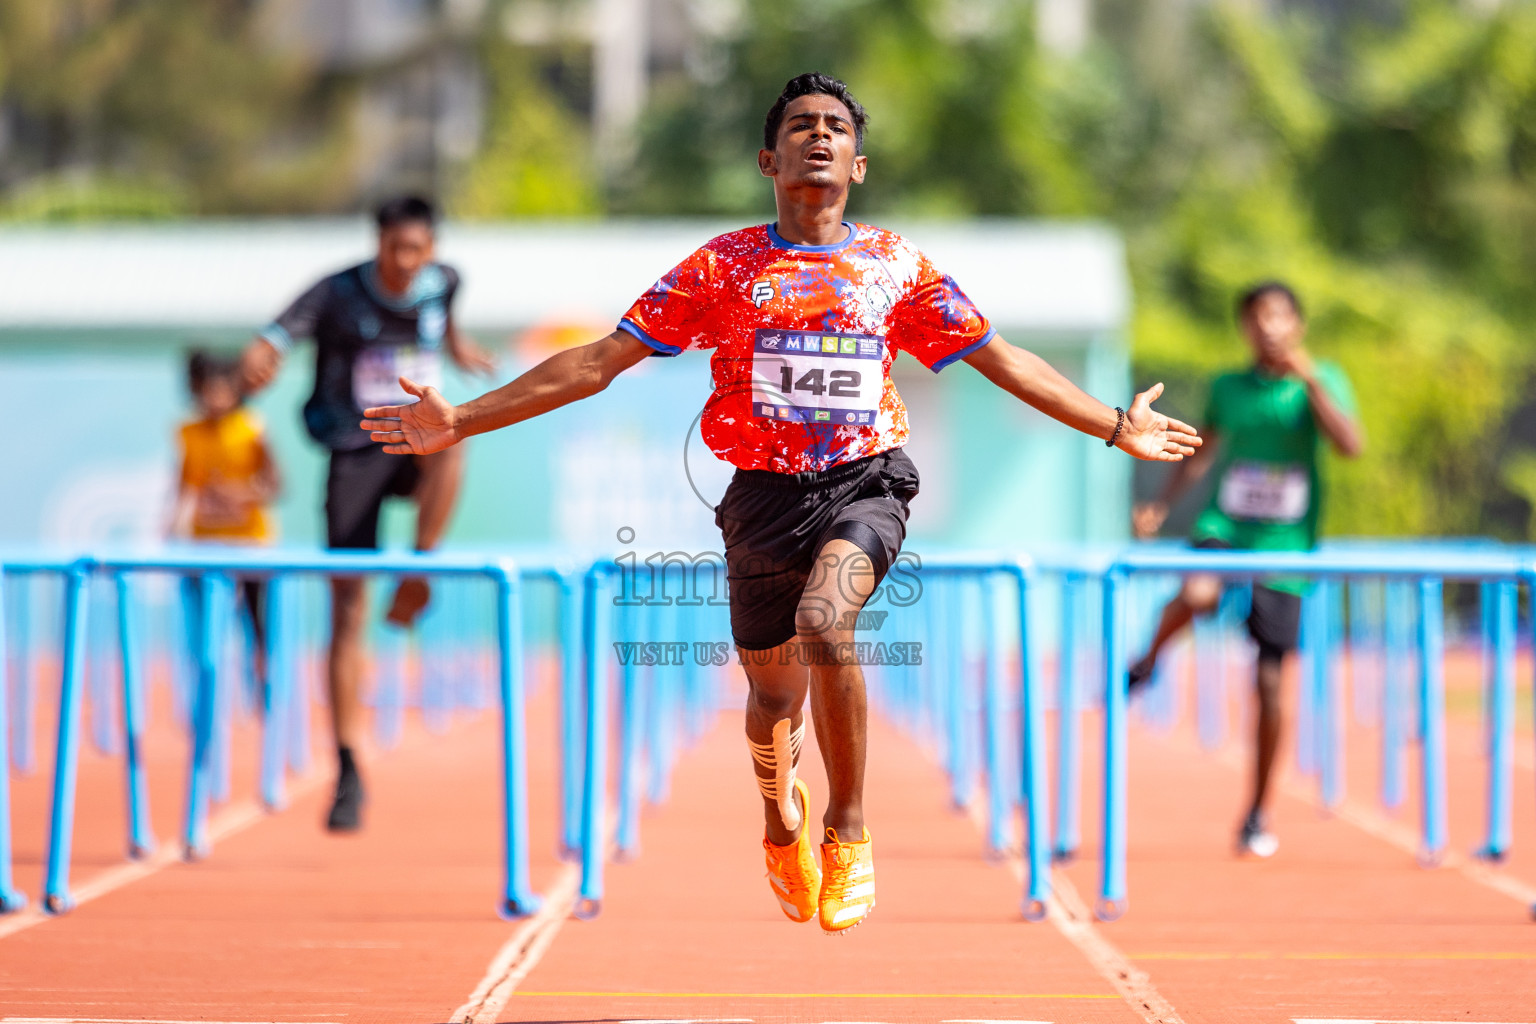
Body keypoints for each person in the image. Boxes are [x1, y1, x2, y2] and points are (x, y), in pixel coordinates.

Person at [360, 73, 1199, 932]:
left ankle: (850, 827)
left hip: (866, 482)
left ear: (859, 165)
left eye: (836, 126)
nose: (820, 136)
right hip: (759, 499)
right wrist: (462, 418)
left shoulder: (896, 268)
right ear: (771, 157)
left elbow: (1006, 360)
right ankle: (780, 818)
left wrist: (1112, 426)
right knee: (771, 704)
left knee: (826, 622)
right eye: (801, 126)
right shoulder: (723, 267)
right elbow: (597, 363)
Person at [239, 195, 495, 832]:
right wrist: (262, 352)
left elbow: (445, 316)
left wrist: (458, 348)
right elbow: (279, 332)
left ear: (431, 249)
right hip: (354, 451)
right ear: (376, 245)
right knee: (346, 608)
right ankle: (348, 766)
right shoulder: (335, 293)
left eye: (416, 251)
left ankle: (420, 566)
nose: (405, 264)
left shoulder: (445, 282)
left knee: (454, 443)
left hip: (413, 440)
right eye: (393, 251)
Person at [1127, 281, 1362, 858]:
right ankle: (1150, 658)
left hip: (1285, 542)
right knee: (1200, 594)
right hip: (1225, 525)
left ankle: (1257, 811)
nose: (1270, 328)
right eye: (1258, 319)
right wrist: (1162, 500)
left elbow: (1350, 445)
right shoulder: (1228, 387)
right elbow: (1204, 449)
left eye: (1280, 317)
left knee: (1271, 680)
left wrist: (1311, 382)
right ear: (1245, 328)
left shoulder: (1321, 380)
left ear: (1298, 325)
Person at [171, 348, 282, 681]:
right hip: (204, 542)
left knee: (256, 621)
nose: (217, 398)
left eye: (224, 389)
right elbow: (183, 486)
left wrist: (238, 495)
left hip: (250, 543)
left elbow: (274, 486)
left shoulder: (252, 429)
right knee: (204, 625)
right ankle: (206, 682)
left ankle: (263, 685)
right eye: (209, 389)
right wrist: (171, 529)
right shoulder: (188, 433)